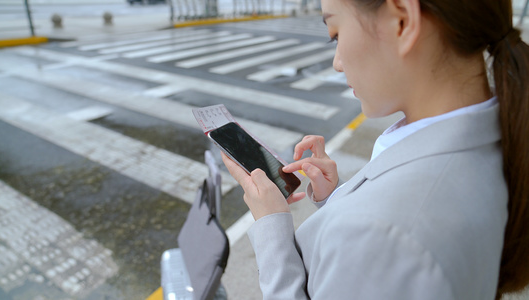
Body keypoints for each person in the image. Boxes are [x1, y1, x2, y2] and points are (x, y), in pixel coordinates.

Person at [221, 0, 529, 299]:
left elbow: (381, 236)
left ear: (402, 21)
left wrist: (270, 224)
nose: (337, 62)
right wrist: (338, 197)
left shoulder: (387, 235)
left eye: (336, 34)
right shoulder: (497, 138)